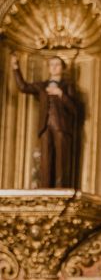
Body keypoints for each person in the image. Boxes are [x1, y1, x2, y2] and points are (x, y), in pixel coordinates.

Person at [10, 53, 77, 188]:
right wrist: (16, 68)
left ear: (62, 68)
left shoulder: (67, 86)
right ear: (48, 68)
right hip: (45, 127)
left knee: (61, 160)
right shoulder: (42, 85)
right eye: (51, 65)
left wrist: (61, 94)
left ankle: (61, 189)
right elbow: (23, 87)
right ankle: (44, 189)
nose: (54, 67)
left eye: (57, 65)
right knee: (46, 159)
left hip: (61, 127)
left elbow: (75, 109)